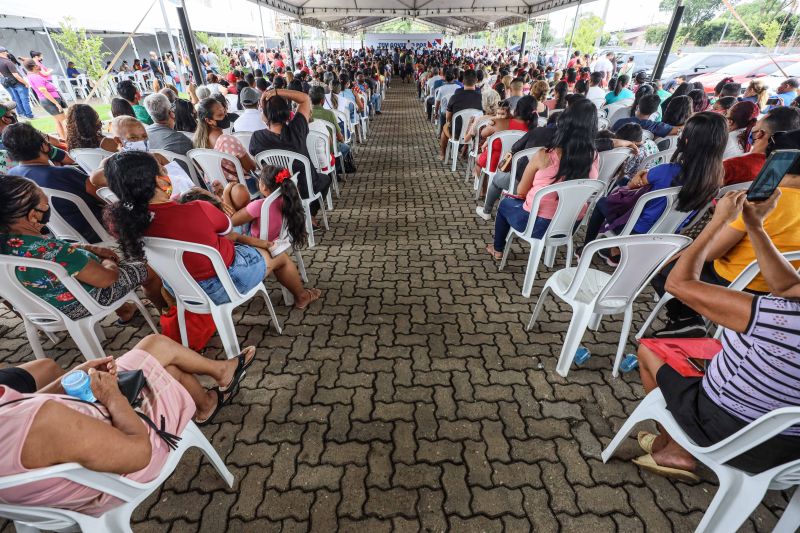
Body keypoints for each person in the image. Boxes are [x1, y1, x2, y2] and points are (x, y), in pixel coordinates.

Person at [634, 191, 800, 480]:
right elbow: (787, 287)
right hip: (789, 458)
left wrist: (720, 220)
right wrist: (756, 227)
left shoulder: (780, 315)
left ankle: (677, 448)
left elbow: (678, 282)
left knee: (650, 350)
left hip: (730, 432)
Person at [0, 332, 259, 515]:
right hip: (119, 475)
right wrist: (111, 394)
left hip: (53, 493)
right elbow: (139, 453)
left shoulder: (24, 421)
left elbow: (27, 403)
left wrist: (74, 374)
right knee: (159, 349)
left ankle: (206, 402)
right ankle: (220, 377)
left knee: (162, 363)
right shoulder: (41, 423)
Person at [104, 150, 322, 310]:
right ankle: (301, 296)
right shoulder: (198, 208)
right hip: (223, 283)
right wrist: (211, 197)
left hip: (180, 289)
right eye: (163, 169)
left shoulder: (122, 221)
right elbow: (228, 227)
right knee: (280, 255)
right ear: (159, 180)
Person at [0, 176, 165, 321]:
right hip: (81, 303)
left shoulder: (9, 240)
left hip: (42, 308)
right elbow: (107, 279)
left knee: (81, 271)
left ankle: (125, 310)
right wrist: (108, 261)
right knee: (150, 269)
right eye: (45, 205)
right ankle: (167, 314)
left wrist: (85, 247)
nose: (48, 207)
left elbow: (48, 253)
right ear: (33, 216)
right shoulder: (54, 250)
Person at [582, 112, 727, 264]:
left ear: (686, 140)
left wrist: (640, 174)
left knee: (602, 203)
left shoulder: (666, 171)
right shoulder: (716, 180)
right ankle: (615, 252)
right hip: (669, 233)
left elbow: (632, 185)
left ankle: (587, 248)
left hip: (635, 229)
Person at [486, 98, 600, 260]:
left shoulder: (544, 155)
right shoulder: (594, 157)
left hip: (537, 224)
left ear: (564, 122)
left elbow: (521, 191)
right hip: (570, 225)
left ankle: (497, 249)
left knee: (505, 203)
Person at [3, 123, 106, 243]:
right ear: (44, 146)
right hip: (96, 231)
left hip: (61, 238)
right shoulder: (66, 174)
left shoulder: (12, 176)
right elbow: (104, 197)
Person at [249, 89, 332, 224]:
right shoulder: (297, 128)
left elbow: (258, 165)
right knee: (325, 179)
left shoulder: (257, 138)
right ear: (288, 113)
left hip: (275, 190)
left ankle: (293, 215)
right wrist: (277, 91)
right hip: (305, 188)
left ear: (265, 114)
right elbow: (305, 98)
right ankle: (310, 215)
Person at [231, 165, 308, 246]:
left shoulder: (259, 205)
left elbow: (232, 221)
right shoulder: (288, 198)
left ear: (264, 187)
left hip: (256, 241)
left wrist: (226, 192)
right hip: (278, 236)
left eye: (259, 178)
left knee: (228, 225)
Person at [194, 97, 257, 191]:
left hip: (216, 188)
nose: (225, 116)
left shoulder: (197, 141)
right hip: (240, 188)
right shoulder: (227, 140)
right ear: (209, 121)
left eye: (224, 111)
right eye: (220, 115)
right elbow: (251, 167)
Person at [439, 69, 483, 160]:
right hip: (475, 133)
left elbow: (448, 117)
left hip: (456, 132)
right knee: (473, 125)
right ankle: (465, 151)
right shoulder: (482, 98)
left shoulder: (455, 97)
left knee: (444, 129)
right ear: (477, 81)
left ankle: (442, 154)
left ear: (462, 81)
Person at [309, 86, 351, 161]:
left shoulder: (305, 114)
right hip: (329, 149)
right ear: (323, 100)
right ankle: (337, 166)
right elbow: (339, 136)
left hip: (309, 149)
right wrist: (342, 142)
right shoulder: (329, 114)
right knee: (346, 148)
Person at [612, 94, 679, 138]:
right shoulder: (655, 126)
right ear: (654, 112)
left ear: (637, 106)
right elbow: (679, 130)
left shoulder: (620, 122)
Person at [0, 47, 33, 120]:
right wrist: (26, 83)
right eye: (5, 51)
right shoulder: (8, 62)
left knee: (16, 99)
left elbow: (1, 74)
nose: (7, 53)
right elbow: (16, 75)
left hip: (10, 83)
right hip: (18, 83)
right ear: (2, 53)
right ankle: (29, 115)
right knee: (24, 99)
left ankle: (21, 114)